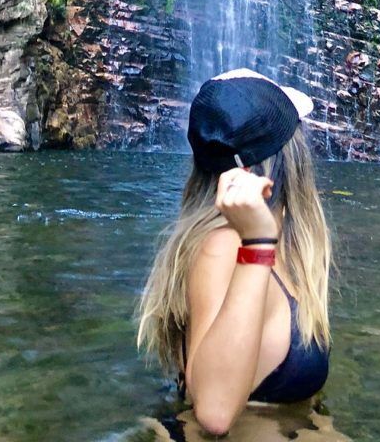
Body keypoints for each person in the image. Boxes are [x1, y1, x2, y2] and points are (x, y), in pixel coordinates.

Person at [137, 69, 333, 438]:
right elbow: (214, 413)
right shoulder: (227, 247)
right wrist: (257, 244)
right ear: (281, 159)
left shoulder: (287, 243)